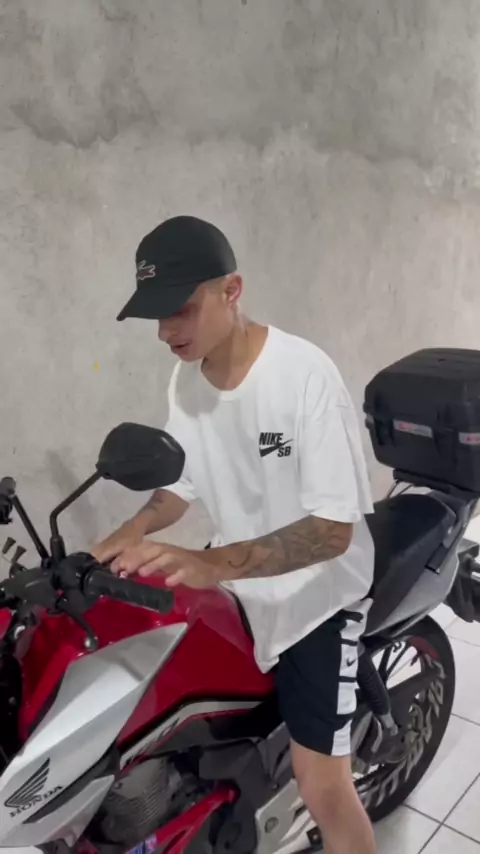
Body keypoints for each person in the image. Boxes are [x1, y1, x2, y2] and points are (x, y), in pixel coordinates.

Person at [93, 215, 377, 854]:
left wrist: (212, 563)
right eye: (157, 316)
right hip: (243, 586)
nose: (166, 331)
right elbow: (183, 483)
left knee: (323, 785)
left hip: (318, 599)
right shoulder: (186, 380)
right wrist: (132, 528)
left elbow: (333, 533)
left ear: (232, 290)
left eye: (181, 310)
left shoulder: (303, 376)